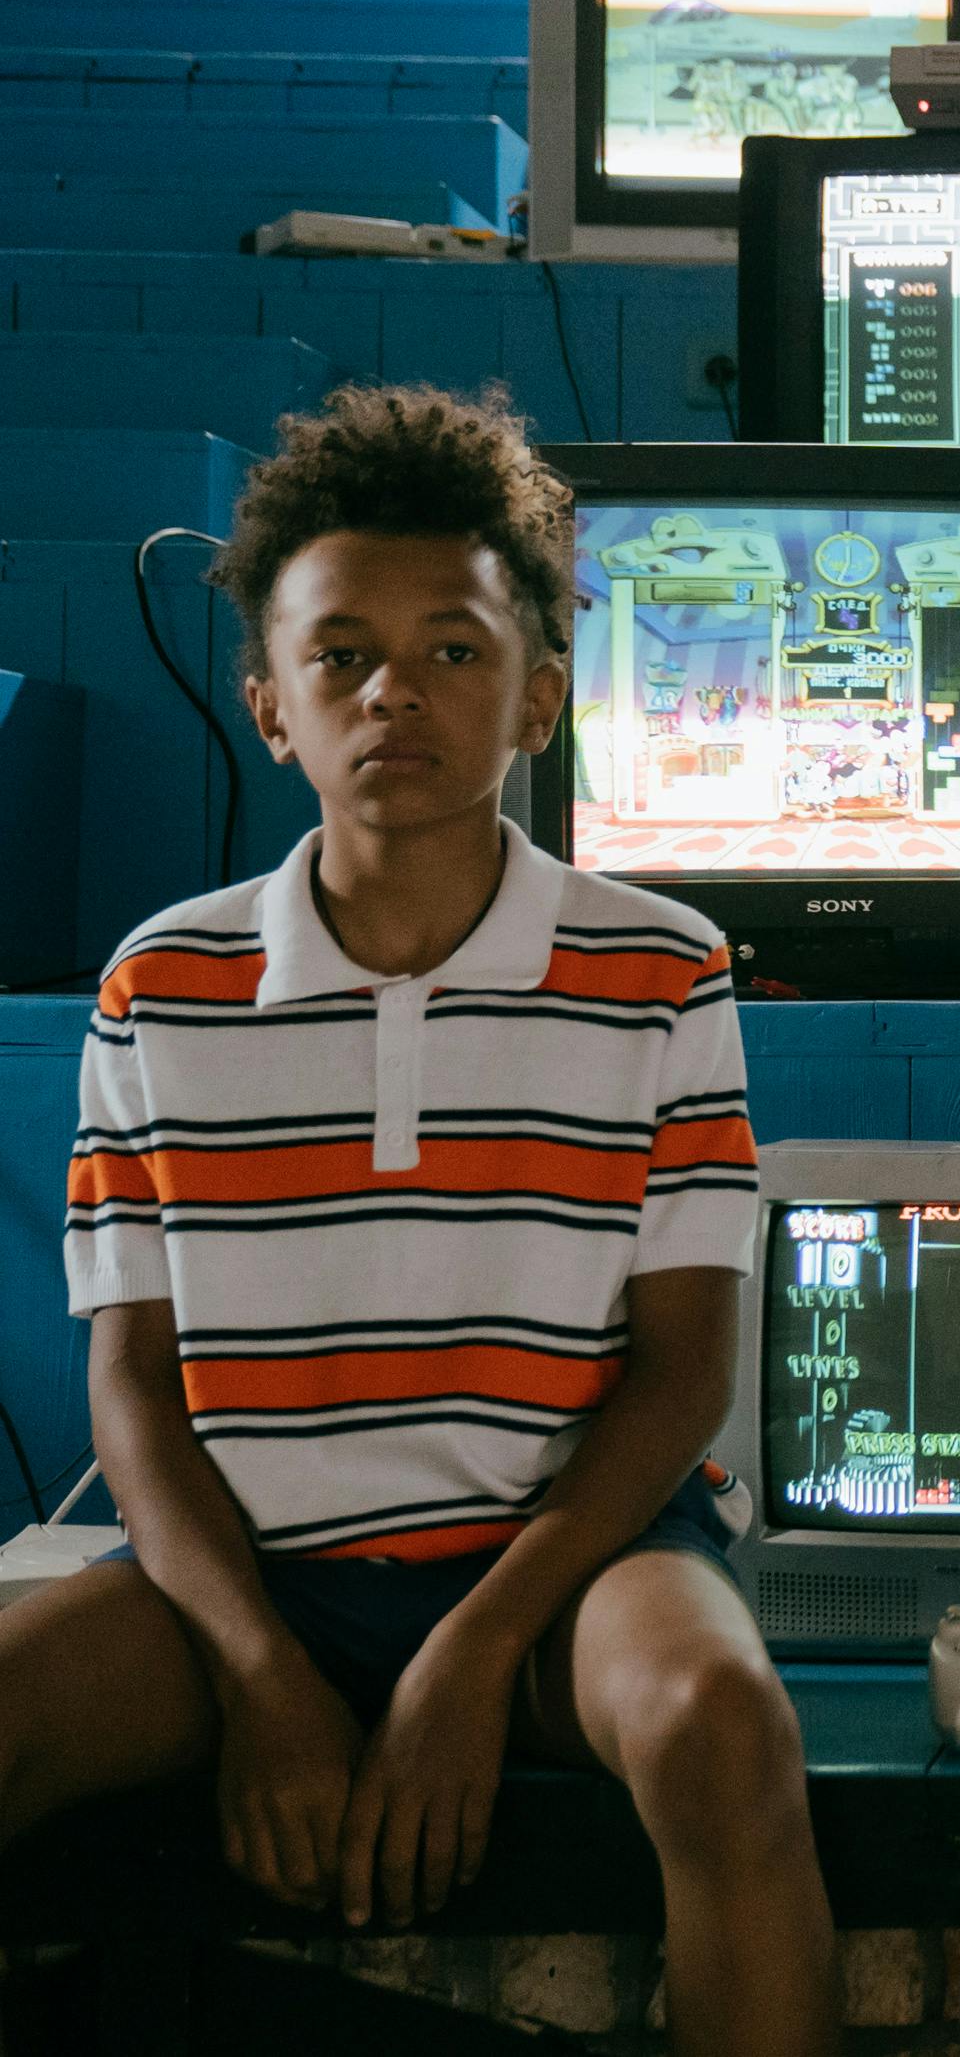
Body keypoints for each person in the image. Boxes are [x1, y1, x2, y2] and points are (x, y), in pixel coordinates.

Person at [1, 389, 837, 2056]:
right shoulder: (160, 984)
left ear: (539, 693)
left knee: (724, 1725)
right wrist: (262, 1675)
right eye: (342, 656)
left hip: (568, 1574)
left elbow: (680, 1378)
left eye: (455, 650)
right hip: (242, 1583)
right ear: (269, 708)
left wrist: (476, 1649)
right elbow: (134, 1396)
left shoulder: (659, 965)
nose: (396, 689)